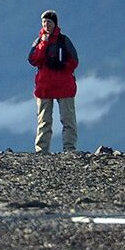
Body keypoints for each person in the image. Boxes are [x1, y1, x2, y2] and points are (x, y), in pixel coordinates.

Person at [28, 9, 79, 153]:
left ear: (55, 23)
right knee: (44, 120)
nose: (46, 24)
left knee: (67, 119)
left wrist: (62, 66)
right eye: (44, 22)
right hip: (45, 86)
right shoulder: (39, 41)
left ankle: (69, 149)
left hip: (63, 85)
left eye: (49, 21)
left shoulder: (63, 40)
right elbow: (32, 59)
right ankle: (42, 150)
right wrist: (43, 45)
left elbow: (74, 61)